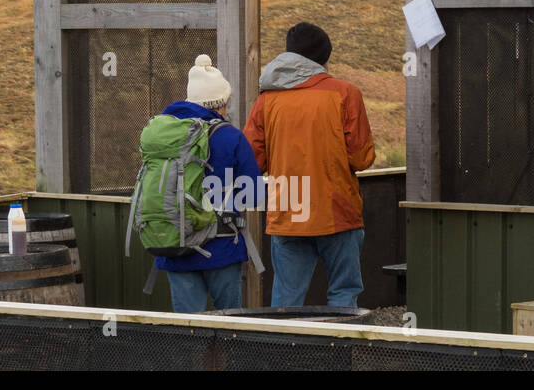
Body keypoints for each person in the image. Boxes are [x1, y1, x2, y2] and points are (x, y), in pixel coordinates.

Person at [243, 22, 374, 307]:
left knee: (287, 300)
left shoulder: (266, 100)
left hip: (288, 208)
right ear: (322, 58)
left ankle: (287, 351)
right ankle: (337, 351)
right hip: (336, 210)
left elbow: (252, 162)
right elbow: (361, 158)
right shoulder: (345, 93)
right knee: (343, 294)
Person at [157, 54, 264, 314]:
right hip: (222, 248)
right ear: (221, 103)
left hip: (175, 245)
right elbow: (254, 195)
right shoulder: (230, 136)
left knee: (189, 331)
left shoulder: (162, 134)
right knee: (228, 328)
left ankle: (192, 357)